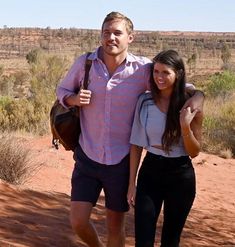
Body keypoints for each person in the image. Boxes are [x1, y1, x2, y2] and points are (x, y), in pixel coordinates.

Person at [56, 11, 204, 247]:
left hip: (120, 161)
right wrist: (74, 99)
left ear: (130, 38)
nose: (111, 38)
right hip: (87, 155)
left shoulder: (142, 70)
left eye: (117, 33)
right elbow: (62, 91)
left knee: (116, 227)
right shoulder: (85, 64)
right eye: (106, 33)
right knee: (78, 221)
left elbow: (176, 86)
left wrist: (199, 97)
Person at [127, 49, 203, 247]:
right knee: (143, 239)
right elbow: (136, 144)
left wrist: (185, 126)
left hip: (181, 174)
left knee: (171, 240)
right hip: (150, 170)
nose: (159, 77)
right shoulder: (144, 101)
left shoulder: (189, 105)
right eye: (156, 72)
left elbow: (194, 152)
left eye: (165, 73)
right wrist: (131, 183)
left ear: (177, 73)